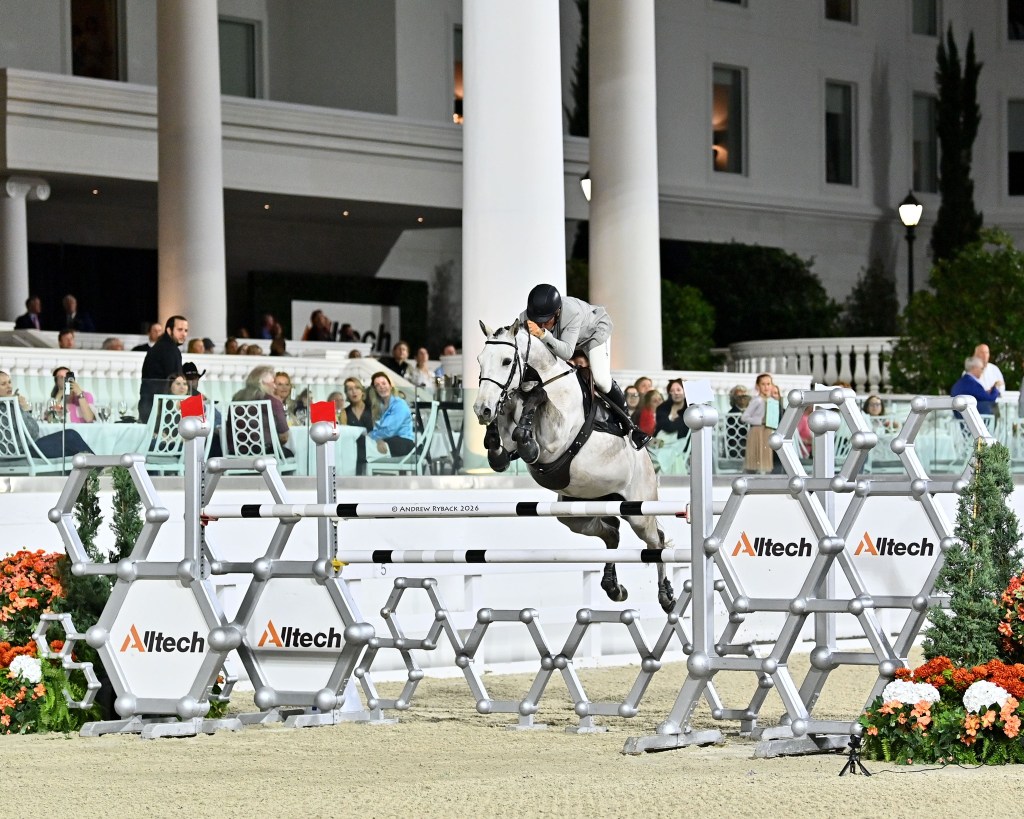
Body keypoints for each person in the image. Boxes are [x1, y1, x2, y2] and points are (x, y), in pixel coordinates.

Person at [521, 283, 649, 449]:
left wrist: (542, 335)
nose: (542, 325)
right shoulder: (527, 316)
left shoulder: (572, 312)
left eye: (546, 321)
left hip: (594, 332)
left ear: (557, 312)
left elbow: (567, 353)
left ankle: (631, 427)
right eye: (538, 322)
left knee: (601, 380)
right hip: (567, 340)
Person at [0, 370, 93, 458]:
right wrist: (24, 409)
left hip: (12, 452)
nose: (9, 386)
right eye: (3, 384)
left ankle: (94, 467)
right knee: (70, 436)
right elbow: (33, 432)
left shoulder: (7, 405)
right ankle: (97, 466)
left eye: (9, 382)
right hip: (22, 451)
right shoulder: (9, 406)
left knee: (71, 446)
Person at [231, 365, 291, 456]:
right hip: (265, 452)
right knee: (294, 453)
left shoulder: (237, 397)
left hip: (236, 451)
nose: (275, 386)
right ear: (262, 382)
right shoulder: (272, 402)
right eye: (273, 382)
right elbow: (284, 436)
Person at [139, 315, 187, 423]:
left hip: (150, 408)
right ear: (169, 330)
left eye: (186, 330)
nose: (184, 334)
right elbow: (176, 382)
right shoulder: (170, 350)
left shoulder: (161, 347)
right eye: (180, 329)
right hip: (161, 412)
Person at [741, 372, 784, 474]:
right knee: (756, 459)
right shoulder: (757, 400)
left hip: (768, 431)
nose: (766, 387)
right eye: (763, 384)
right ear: (758, 386)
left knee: (765, 458)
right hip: (757, 431)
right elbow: (744, 417)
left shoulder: (772, 401)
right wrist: (759, 421)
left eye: (768, 384)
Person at [367, 371, 415, 457]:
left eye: (384, 383)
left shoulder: (399, 404)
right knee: (365, 445)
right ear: (375, 390)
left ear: (390, 385)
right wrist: (377, 439)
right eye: (377, 385)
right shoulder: (379, 407)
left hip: (404, 443)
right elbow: (378, 430)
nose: (381, 387)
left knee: (368, 445)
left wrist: (372, 436)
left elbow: (390, 431)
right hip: (390, 440)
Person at [339, 376, 373, 475]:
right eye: (350, 389)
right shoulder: (344, 412)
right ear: (346, 393)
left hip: (371, 448)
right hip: (353, 450)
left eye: (357, 388)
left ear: (362, 391)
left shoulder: (372, 409)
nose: (354, 392)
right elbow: (344, 434)